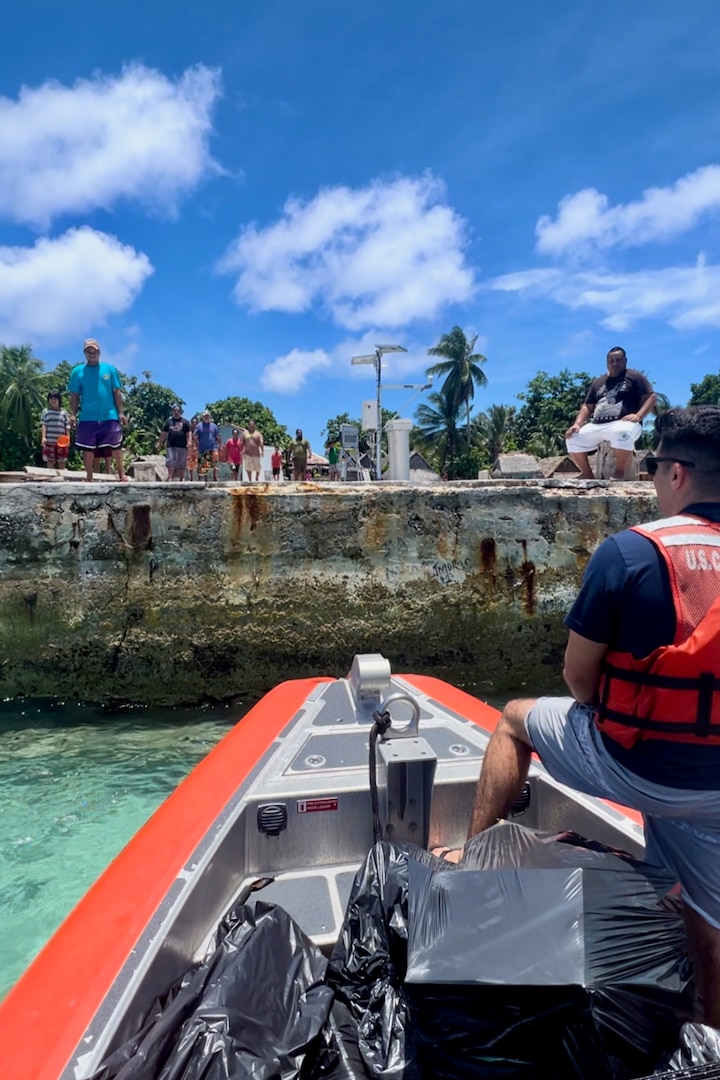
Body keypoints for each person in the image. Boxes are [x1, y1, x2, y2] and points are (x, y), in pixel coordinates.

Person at [440, 406, 720, 1027]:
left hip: (637, 766)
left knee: (514, 718)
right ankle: (706, 1034)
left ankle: (474, 859)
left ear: (676, 473)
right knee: (709, 910)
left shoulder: (631, 552)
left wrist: (618, 716)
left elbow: (577, 678)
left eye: (653, 468)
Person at [565, 347, 656, 479]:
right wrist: (577, 424)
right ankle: (587, 474)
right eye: (611, 360)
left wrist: (638, 416)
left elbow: (651, 397)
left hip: (623, 423)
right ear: (607, 362)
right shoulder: (598, 382)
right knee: (572, 437)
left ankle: (619, 472)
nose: (615, 363)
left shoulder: (634, 377)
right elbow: (587, 406)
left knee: (622, 433)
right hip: (597, 425)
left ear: (625, 361)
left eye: (618, 360)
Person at [68, 339, 128, 482]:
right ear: (85, 353)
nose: (92, 354)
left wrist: (120, 412)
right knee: (87, 448)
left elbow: (117, 392)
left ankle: (121, 474)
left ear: (99, 352)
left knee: (116, 445)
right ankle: (89, 477)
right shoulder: (77, 372)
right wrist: (73, 414)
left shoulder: (109, 369)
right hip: (88, 417)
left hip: (109, 415)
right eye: (89, 351)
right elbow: (74, 395)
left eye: (94, 351)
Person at [157, 405, 191, 481]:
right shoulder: (169, 422)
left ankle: (181, 478)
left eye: (178, 411)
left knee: (181, 462)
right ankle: (170, 477)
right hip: (171, 445)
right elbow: (164, 433)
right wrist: (160, 443)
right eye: (174, 411)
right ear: (172, 412)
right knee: (171, 460)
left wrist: (189, 441)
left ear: (181, 412)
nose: (176, 412)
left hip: (182, 445)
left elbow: (189, 432)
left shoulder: (185, 422)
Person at [40, 390, 72, 471]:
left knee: (62, 461)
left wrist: (68, 439)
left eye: (55, 399)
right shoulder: (46, 411)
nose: (53, 400)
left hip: (62, 443)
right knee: (50, 461)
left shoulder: (64, 413)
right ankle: (50, 478)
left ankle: (62, 479)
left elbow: (67, 426)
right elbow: (44, 425)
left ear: (59, 400)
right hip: (50, 441)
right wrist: (43, 438)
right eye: (51, 399)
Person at [195, 410, 221, 480]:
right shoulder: (199, 426)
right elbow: (196, 437)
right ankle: (205, 479)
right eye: (205, 416)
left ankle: (215, 477)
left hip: (213, 447)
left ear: (210, 417)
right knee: (204, 465)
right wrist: (195, 446)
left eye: (207, 416)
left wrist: (220, 445)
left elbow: (217, 436)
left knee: (214, 463)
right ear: (202, 417)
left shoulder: (214, 426)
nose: (206, 417)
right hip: (203, 448)